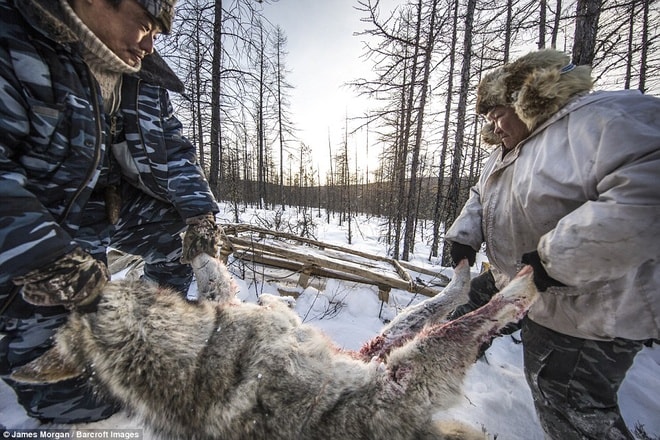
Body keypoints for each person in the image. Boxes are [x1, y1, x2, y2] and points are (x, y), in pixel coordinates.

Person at [0, 0, 220, 424]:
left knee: (179, 238)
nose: (150, 45)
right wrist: (47, 261)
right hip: (29, 235)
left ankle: (160, 324)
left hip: (103, 212)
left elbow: (173, 148)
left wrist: (200, 218)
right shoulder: (16, 39)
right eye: (144, 26)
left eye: (158, 34)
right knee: (86, 397)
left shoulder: (141, 77)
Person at [444, 48, 660, 440]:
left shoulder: (604, 117)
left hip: (587, 305)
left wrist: (553, 261)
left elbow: (646, 195)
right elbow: (481, 196)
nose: (493, 122)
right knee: (460, 318)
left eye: (497, 112)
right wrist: (464, 236)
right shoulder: (505, 151)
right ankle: (434, 375)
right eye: (488, 116)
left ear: (525, 98)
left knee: (565, 398)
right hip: (516, 281)